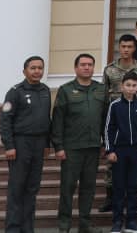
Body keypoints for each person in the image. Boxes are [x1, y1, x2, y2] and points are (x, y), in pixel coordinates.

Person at [53, 53, 108, 233]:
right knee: (67, 187)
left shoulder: (101, 90)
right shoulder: (65, 90)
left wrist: (104, 143)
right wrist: (58, 147)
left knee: (88, 188)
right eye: (83, 65)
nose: (87, 68)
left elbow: (105, 119)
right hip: (71, 148)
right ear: (76, 68)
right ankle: (64, 224)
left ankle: (85, 224)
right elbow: (58, 120)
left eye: (90, 65)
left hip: (92, 147)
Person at [2, 55, 52, 233]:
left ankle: (27, 228)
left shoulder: (46, 90)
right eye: (33, 68)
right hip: (21, 143)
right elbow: (6, 120)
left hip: (39, 145)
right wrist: (9, 146)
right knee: (17, 188)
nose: (37, 71)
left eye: (40, 68)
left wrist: (47, 143)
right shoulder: (15, 92)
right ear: (25, 71)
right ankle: (13, 229)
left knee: (32, 188)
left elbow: (47, 120)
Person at [106, 72, 137, 233]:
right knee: (119, 187)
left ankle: (131, 221)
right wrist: (110, 150)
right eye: (128, 85)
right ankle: (117, 222)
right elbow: (109, 129)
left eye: (134, 85)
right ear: (121, 86)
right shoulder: (115, 105)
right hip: (119, 151)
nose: (131, 88)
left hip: (136, 151)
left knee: (133, 187)